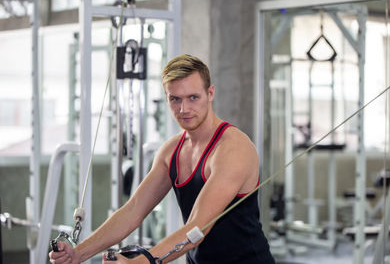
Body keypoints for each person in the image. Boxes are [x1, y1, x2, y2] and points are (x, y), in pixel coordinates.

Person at [49, 54, 275, 264]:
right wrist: (79, 253)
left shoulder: (233, 148)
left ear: (210, 93)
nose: (184, 109)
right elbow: (133, 211)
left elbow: (198, 227)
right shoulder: (171, 151)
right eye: (175, 99)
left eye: (193, 97)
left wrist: (141, 261)